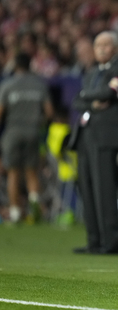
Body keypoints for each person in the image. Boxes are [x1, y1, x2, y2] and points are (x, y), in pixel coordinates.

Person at [69, 31, 118, 255]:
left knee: (104, 189)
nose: (101, 49)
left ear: (115, 48)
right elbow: (77, 101)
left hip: (106, 136)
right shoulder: (92, 72)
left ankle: (112, 242)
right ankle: (94, 241)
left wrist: (90, 96)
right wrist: (93, 100)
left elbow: (110, 92)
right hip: (86, 135)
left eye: (106, 45)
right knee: (86, 188)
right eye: (97, 45)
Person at [0, 53, 54, 224]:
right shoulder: (39, 86)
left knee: (13, 172)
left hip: (12, 132)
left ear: (15, 66)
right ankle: (34, 204)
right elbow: (49, 113)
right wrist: (39, 125)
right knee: (32, 171)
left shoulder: (8, 85)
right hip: (33, 132)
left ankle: (15, 212)